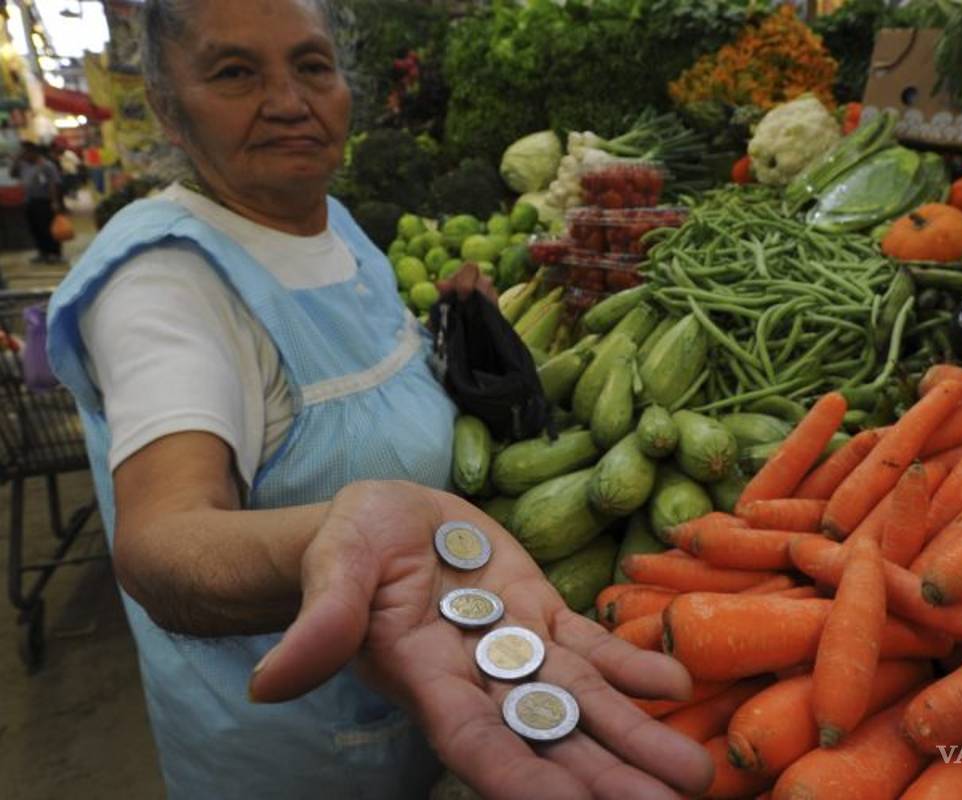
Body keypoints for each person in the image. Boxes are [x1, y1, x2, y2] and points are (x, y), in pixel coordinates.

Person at [45, 1, 712, 799]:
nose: (289, 101)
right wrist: (344, 541)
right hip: (294, 759)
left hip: (429, 698)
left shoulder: (325, 220)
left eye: (312, 65)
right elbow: (162, 542)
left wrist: (460, 333)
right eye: (235, 72)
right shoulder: (163, 287)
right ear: (167, 107)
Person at [11, 141, 63, 263]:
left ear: (33, 152)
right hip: (29, 201)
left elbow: (53, 184)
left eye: (25, 152)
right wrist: (16, 161)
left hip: (44, 201)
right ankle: (42, 252)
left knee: (48, 228)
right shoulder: (23, 165)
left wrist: (55, 202)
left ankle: (54, 253)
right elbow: (13, 174)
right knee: (35, 228)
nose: (23, 154)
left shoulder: (47, 165)